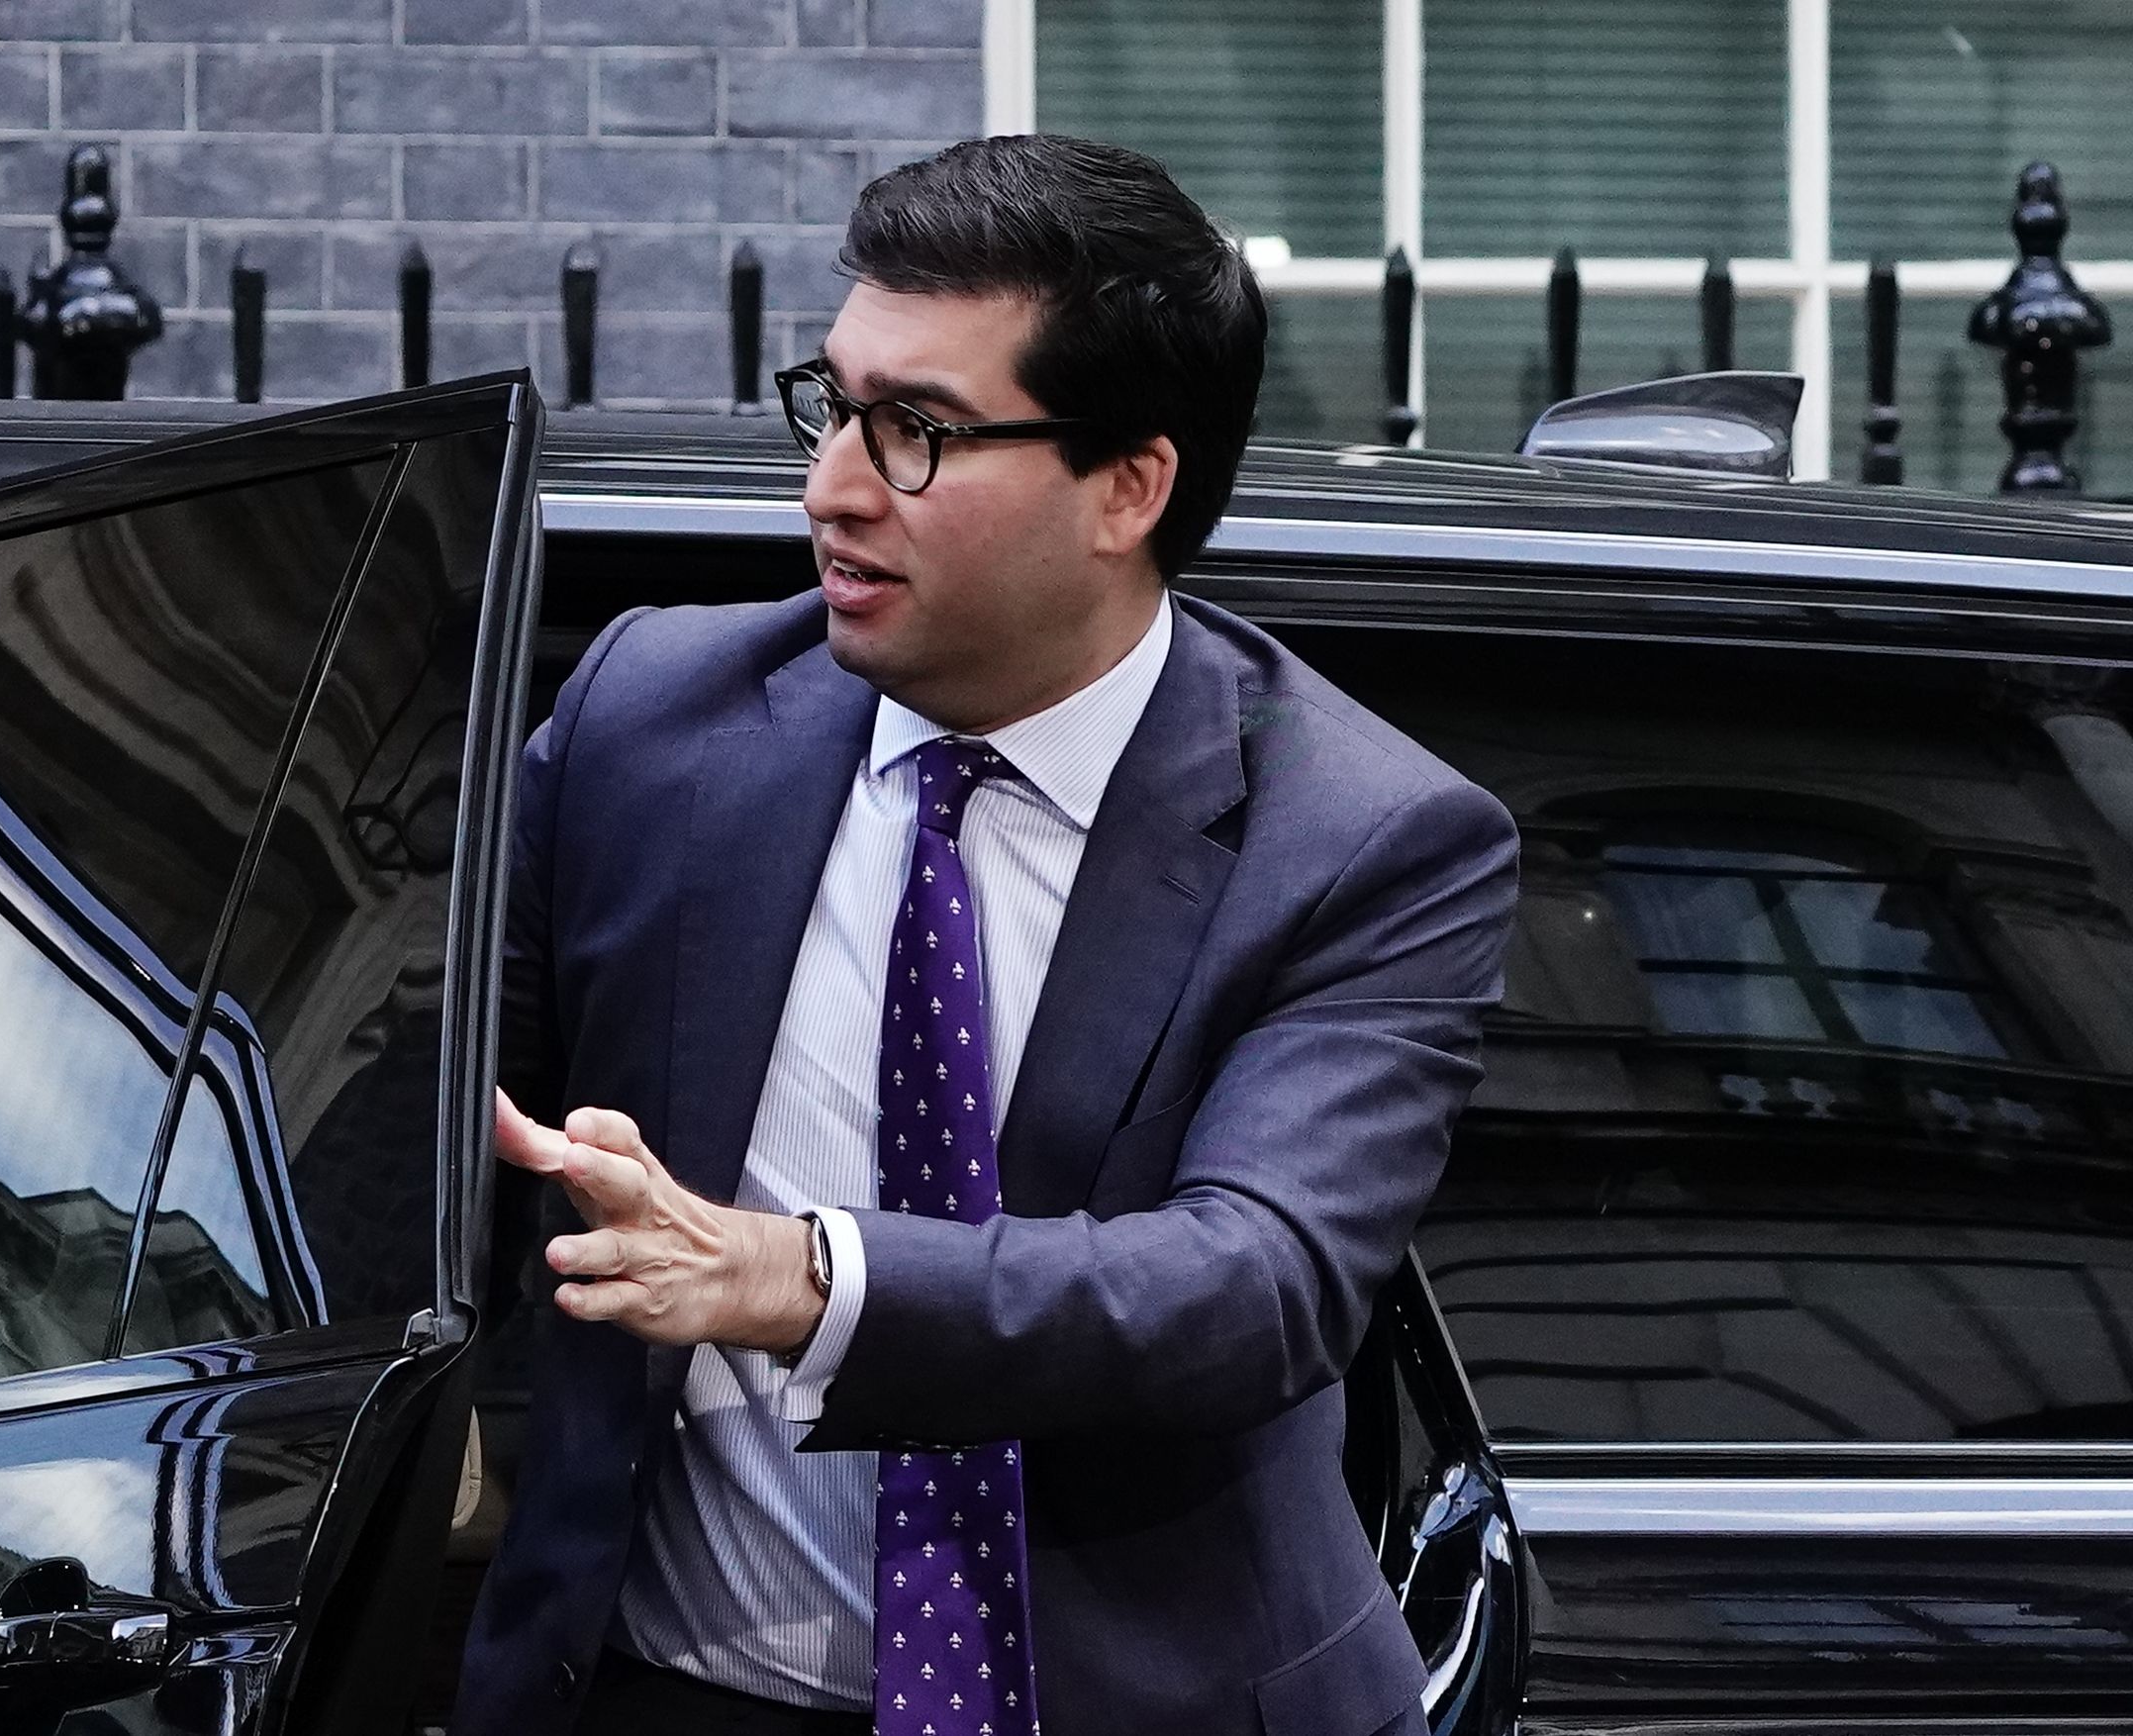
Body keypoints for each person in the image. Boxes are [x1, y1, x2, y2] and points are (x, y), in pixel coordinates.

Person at [456, 134, 1522, 1736]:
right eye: (833, 406)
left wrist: (800, 1278)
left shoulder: (1367, 838)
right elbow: (429, 1166)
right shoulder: (644, 724)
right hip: (662, 1688)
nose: (830, 489)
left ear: (1128, 486)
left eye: (919, 434)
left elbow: (1257, 1282)